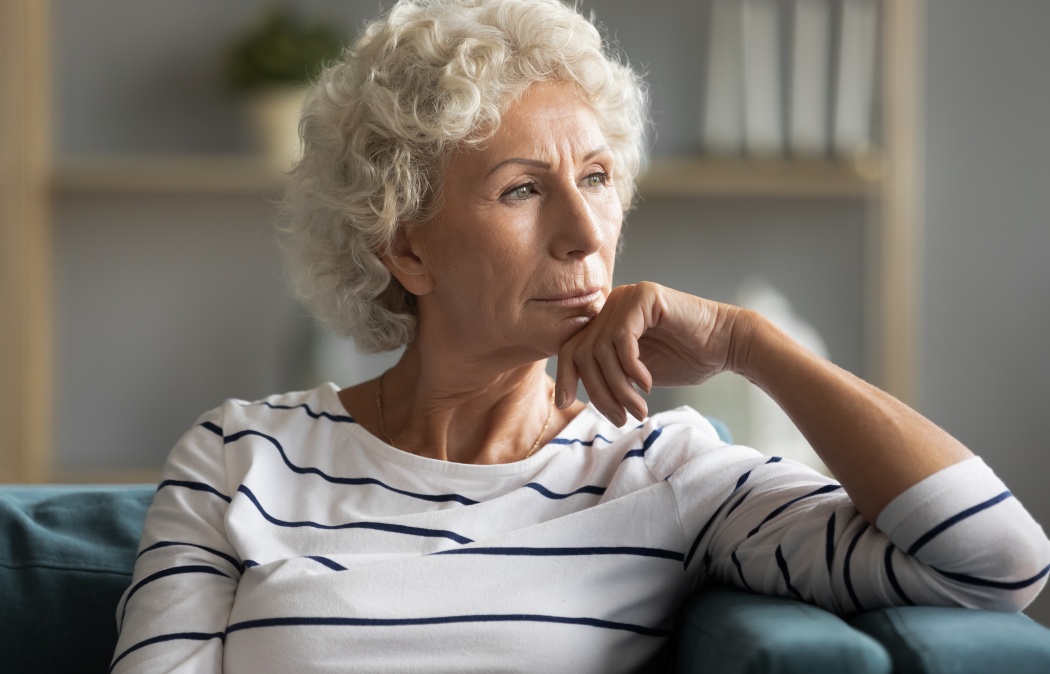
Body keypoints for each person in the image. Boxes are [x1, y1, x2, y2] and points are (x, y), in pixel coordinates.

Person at [111, 0, 1050, 671]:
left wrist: (747, 342)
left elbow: (998, 564)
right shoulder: (237, 456)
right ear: (406, 248)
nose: (585, 232)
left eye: (597, 178)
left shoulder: (665, 474)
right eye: (523, 189)